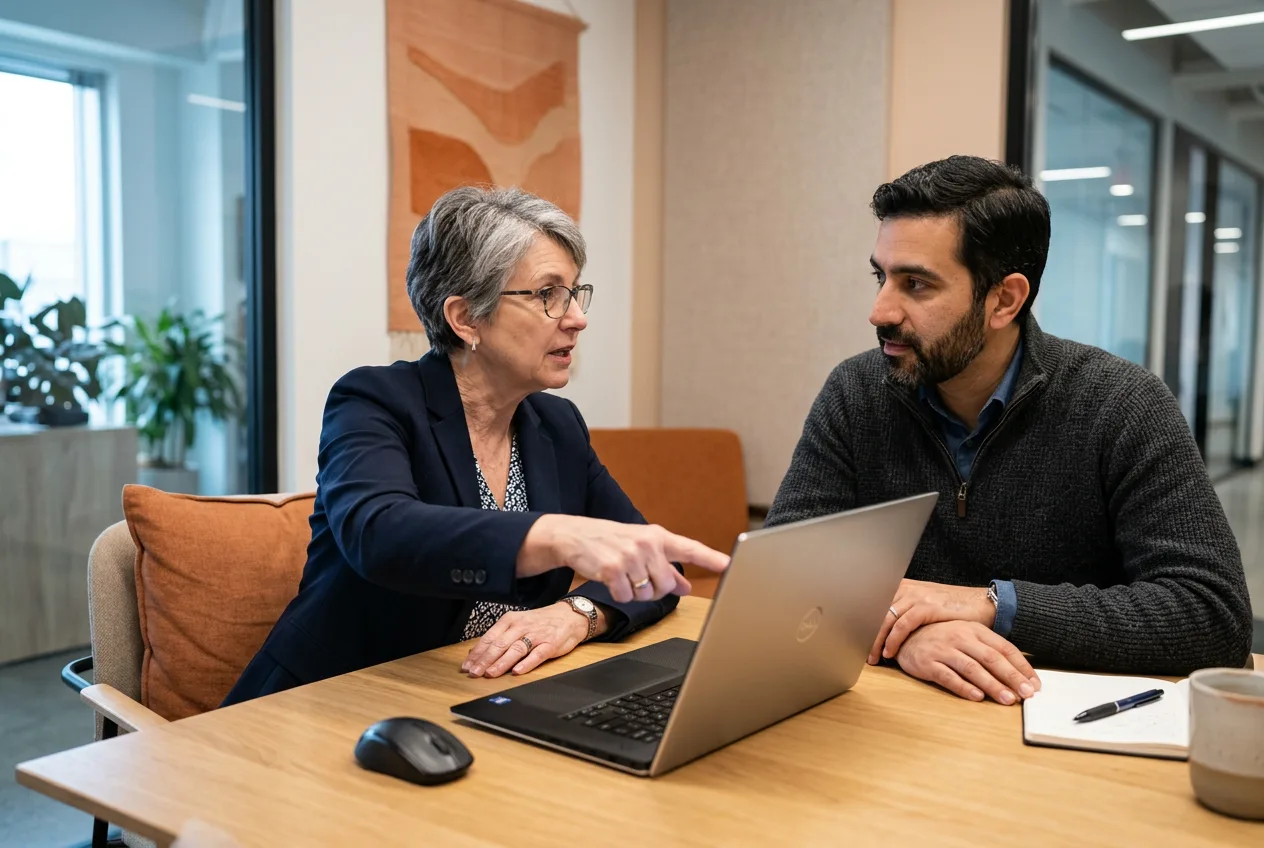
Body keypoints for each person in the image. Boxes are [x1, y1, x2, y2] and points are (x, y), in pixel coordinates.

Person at [765, 155, 1252, 706]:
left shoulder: (1122, 404)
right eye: (882, 276)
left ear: (1004, 299)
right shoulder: (857, 393)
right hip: (893, 721)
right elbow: (782, 579)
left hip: (1059, 731)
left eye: (916, 284)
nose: (880, 311)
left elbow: (1212, 617)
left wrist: (993, 606)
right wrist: (912, 636)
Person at [224, 187, 728, 705]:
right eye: (548, 294)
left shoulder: (557, 425)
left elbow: (655, 572)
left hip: (472, 701)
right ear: (466, 318)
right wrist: (553, 536)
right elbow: (378, 533)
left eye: (576, 293)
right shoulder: (375, 399)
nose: (576, 317)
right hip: (327, 703)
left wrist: (575, 614)